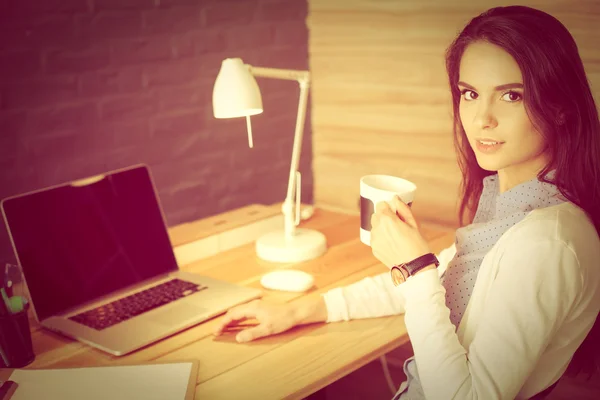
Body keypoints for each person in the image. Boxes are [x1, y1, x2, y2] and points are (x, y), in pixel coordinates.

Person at [213, 6, 600, 399]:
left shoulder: (546, 243)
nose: (482, 117)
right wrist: (298, 312)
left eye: (511, 96)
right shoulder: (513, 206)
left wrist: (414, 267)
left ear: (560, 107)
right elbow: (440, 281)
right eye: (469, 93)